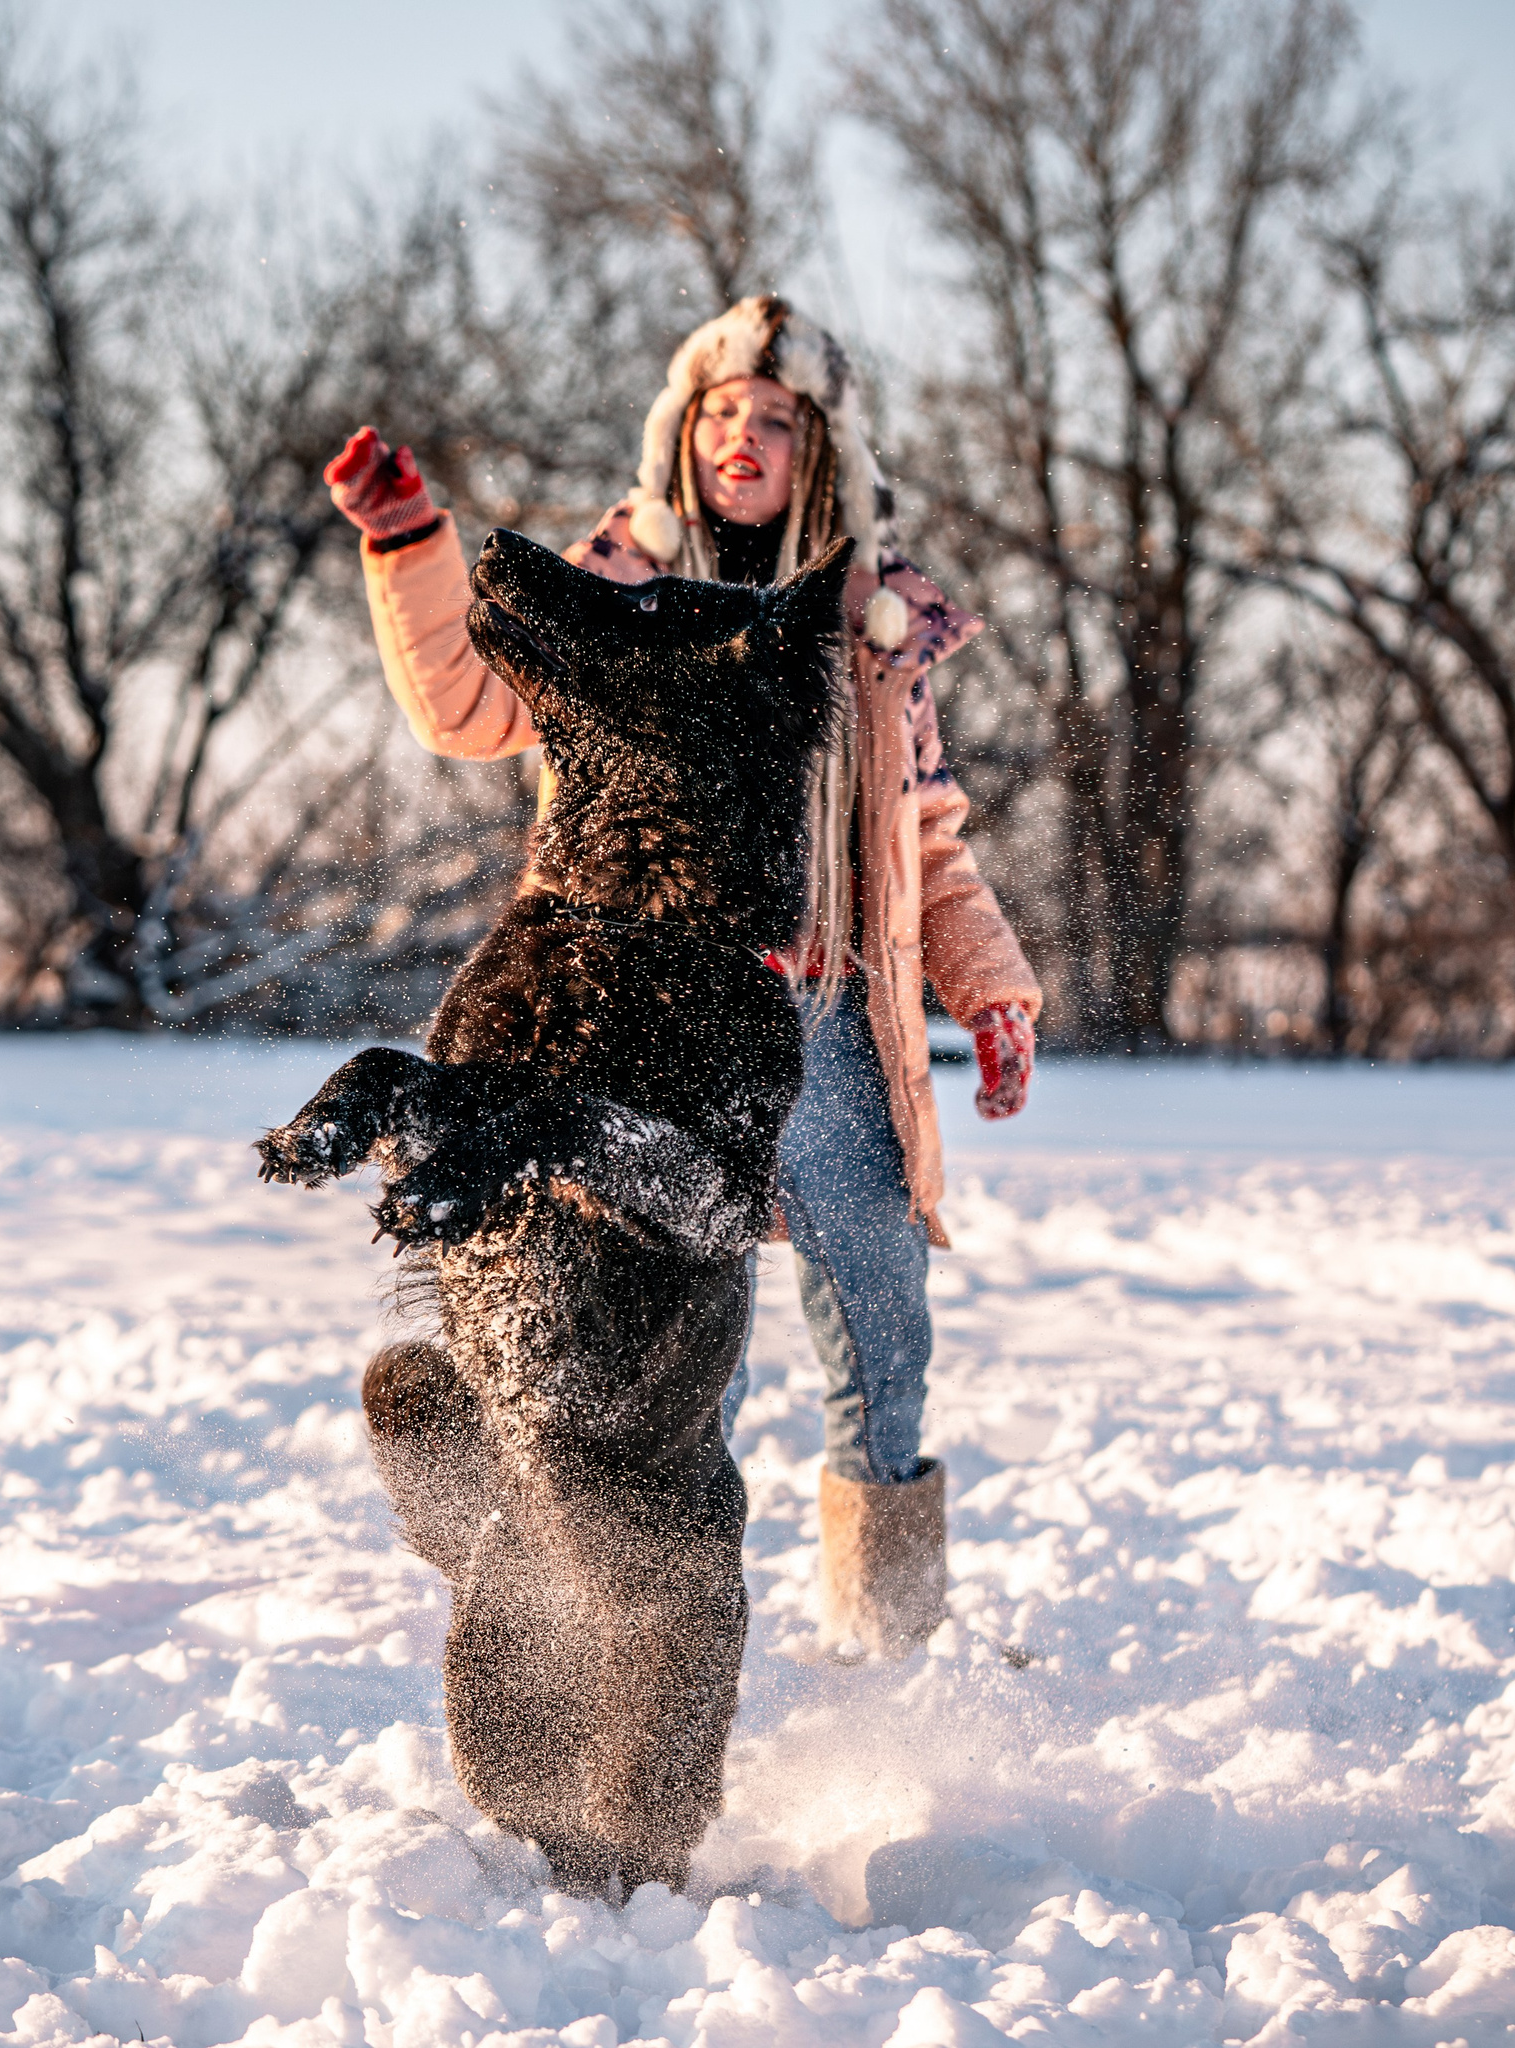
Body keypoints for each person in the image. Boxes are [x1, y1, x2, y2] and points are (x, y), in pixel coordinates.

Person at [325, 295, 1041, 1659]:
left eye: (776, 417)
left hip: (826, 1004)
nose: (743, 436)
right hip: (644, 1000)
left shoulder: (873, 632)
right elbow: (466, 711)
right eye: (719, 412)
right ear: (681, 434)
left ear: (821, 448)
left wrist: (991, 990)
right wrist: (410, 541)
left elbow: (927, 843)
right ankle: (652, 1610)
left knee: (880, 1317)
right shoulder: (613, 595)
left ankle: (887, 1644)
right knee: (666, 1302)